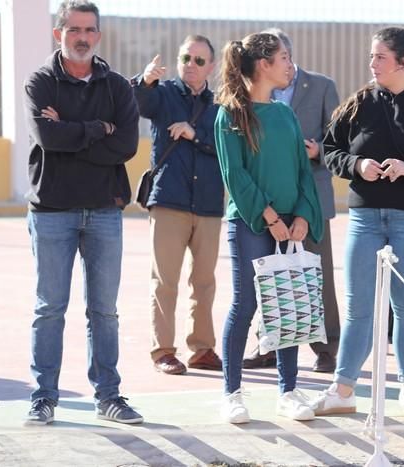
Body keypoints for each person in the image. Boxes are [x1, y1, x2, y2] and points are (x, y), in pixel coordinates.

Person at [313, 27, 404, 420]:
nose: (372, 64)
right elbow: (331, 150)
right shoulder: (361, 101)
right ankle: (343, 389)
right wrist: (357, 165)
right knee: (358, 308)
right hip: (364, 217)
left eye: (380, 57)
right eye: (372, 56)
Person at [23, 0, 142, 425]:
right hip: (52, 211)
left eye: (89, 30)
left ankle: (109, 396)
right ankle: (44, 397)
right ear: (59, 34)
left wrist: (72, 130)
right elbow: (47, 137)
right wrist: (97, 129)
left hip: (104, 212)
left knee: (104, 311)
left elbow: (126, 145)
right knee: (50, 308)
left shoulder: (117, 87)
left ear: (98, 36)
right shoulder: (40, 82)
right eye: (73, 29)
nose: (82, 37)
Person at [214, 32, 324, 424]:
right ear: (263, 64)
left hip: (291, 225)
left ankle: (288, 391)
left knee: (287, 303)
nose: (290, 65)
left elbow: (302, 172)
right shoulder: (229, 114)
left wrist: (302, 217)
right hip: (249, 224)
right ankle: (232, 393)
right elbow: (235, 175)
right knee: (245, 305)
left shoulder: (285, 114)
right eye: (284, 57)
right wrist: (270, 218)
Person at [241, 28, 341, 373]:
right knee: (268, 275)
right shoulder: (250, 98)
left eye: (284, 54)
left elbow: (341, 142)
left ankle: (326, 348)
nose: (283, 61)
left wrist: (318, 151)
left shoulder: (323, 86)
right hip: (267, 201)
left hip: (310, 201)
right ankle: (267, 344)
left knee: (315, 275)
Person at [132, 35, 224, 375]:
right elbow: (138, 103)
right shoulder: (164, 93)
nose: (191, 65)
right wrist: (144, 80)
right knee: (165, 281)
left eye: (200, 61)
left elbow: (228, 147)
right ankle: (163, 352)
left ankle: (202, 349)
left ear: (211, 67)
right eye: (186, 58)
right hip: (169, 200)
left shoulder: (220, 107)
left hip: (209, 204)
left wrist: (194, 133)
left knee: (204, 281)